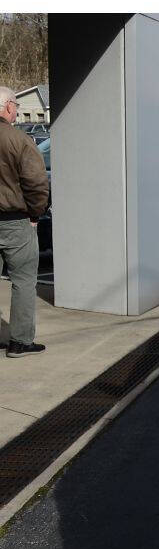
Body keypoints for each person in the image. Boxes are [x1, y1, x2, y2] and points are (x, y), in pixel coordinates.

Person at [0, 85, 49, 357]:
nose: (17, 110)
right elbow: (36, 182)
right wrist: (35, 213)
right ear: (8, 107)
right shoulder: (19, 140)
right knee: (23, 281)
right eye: (16, 106)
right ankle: (20, 342)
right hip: (15, 221)